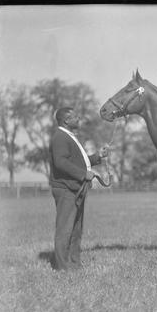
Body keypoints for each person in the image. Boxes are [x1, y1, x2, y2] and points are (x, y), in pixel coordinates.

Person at [48, 107, 109, 270]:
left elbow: (78, 161)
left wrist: (98, 156)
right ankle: (62, 268)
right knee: (65, 229)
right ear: (66, 120)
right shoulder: (60, 137)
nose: (79, 118)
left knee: (75, 229)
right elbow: (61, 162)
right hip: (66, 189)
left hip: (74, 189)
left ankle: (74, 264)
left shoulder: (69, 136)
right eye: (75, 117)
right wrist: (84, 174)